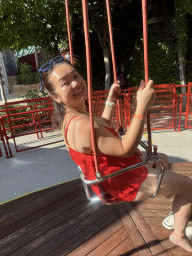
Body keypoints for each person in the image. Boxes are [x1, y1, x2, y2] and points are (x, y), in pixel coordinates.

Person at [38, 55, 192, 252]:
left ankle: (179, 206)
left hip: (115, 173)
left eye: (75, 75)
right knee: (189, 186)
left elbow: (101, 130)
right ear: (56, 96)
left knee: (162, 159)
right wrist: (142, 107)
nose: (76, 83)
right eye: (65, 83)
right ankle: (178, 235)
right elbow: (124, 150)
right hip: (121, 180)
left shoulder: (74, 116)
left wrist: (110, 101)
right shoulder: (81, 125)